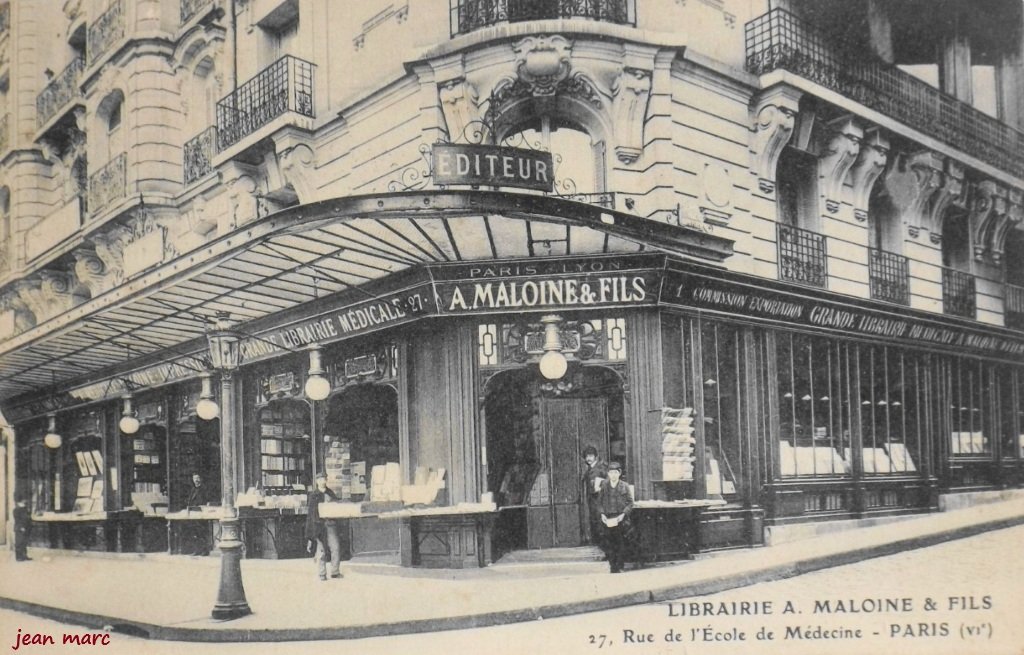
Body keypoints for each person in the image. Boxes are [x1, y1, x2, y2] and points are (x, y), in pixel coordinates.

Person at [596, 461, 632, 573]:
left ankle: (620, 565)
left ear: (619, 473)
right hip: (608, 518)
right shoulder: (604, 486)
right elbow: (599, 502)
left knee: (620, 542)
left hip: (620, 518)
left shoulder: (624, 486)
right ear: (608, 474)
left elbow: (630, 503)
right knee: (610, 543)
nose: (613, 475)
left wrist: (623, 514)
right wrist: (602, 514)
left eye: (615, 472)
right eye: (611, 473)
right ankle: (613, 566)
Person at [305, 473, 342, 581]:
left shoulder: (330, 493)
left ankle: (335, 572)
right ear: (317, 481)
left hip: (330, 524)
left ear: (326, 480)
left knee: (335, 547)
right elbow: (311, 515)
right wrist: (310, 534)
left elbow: (336, 507)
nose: (322, 481)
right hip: (319, 526)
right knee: (321, 550)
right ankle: (322, 574)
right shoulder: (313, 496)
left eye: (324, 479)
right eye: (320, 479)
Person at [580, 445, 608, 546]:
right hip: (592, 501)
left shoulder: (600, 469)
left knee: (600, 524)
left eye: (591, 456)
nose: (588, 458)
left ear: (596, 456)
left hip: (599, 501)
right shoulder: (590, 469)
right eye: (586, 456)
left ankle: (603, 548)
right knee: (595, 522)